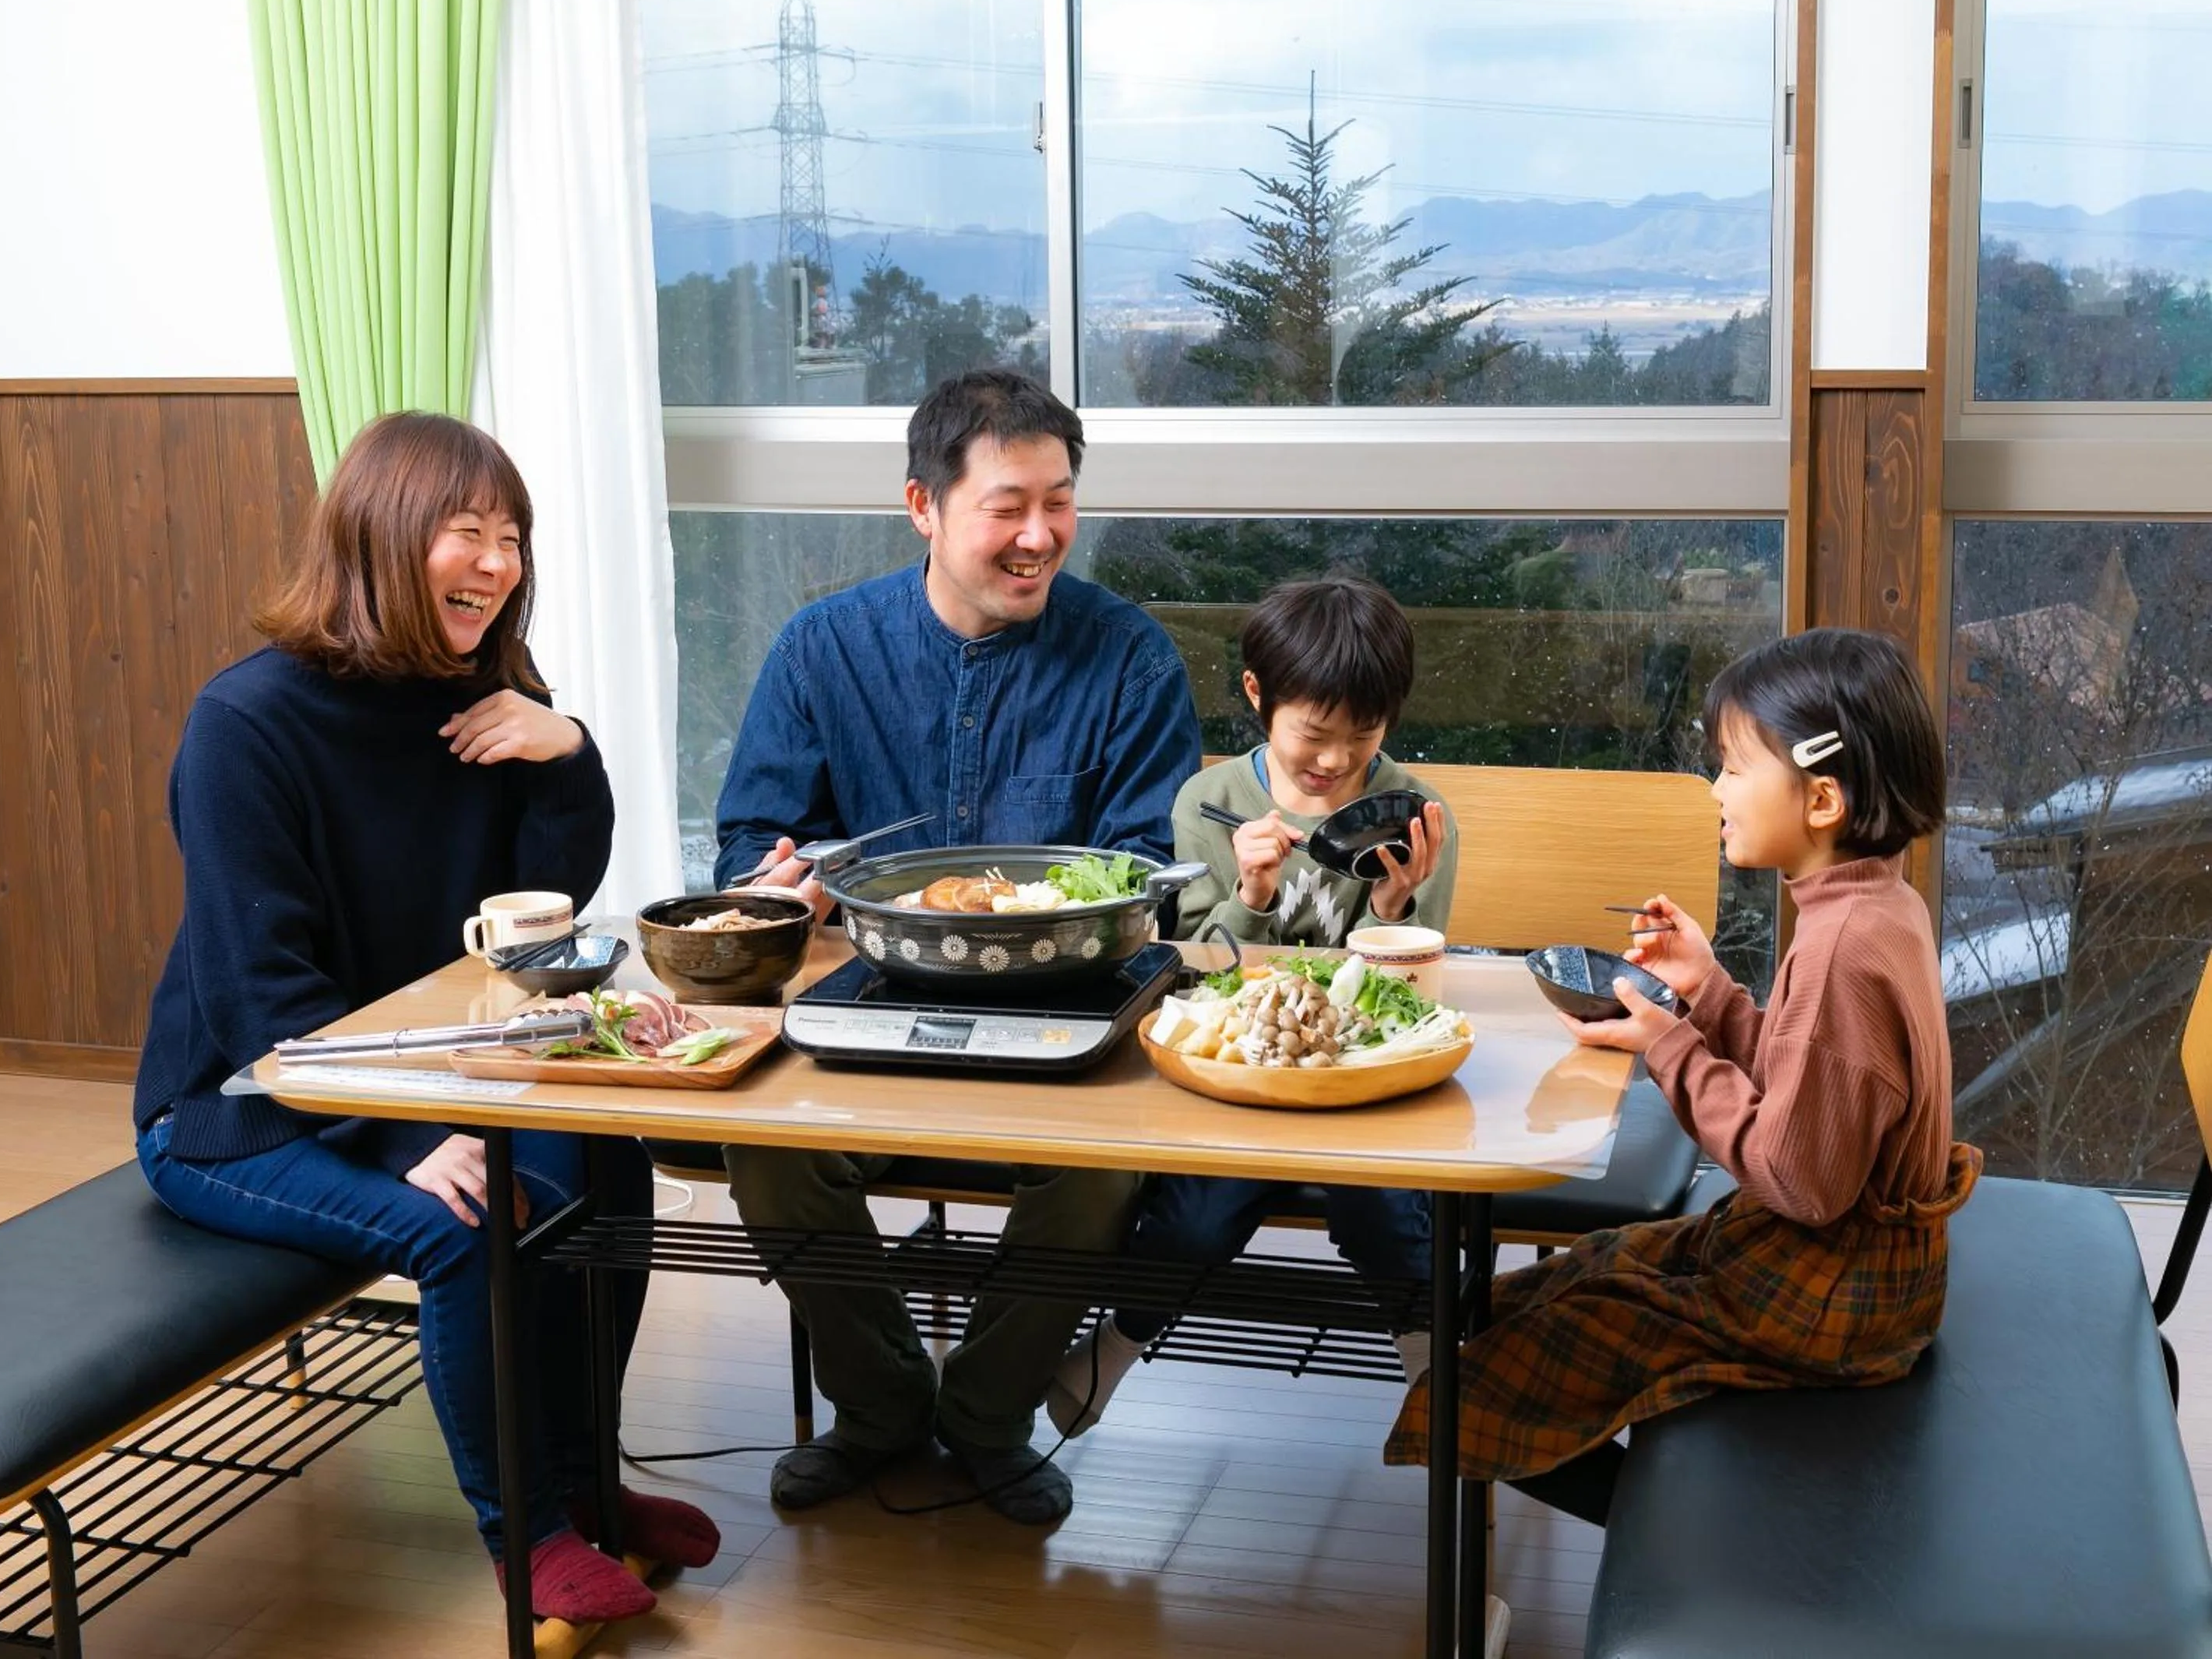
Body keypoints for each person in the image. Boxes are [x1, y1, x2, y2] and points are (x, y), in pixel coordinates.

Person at [132, 413, 717, 1625]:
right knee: (468, 1219)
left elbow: (540, 926)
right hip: (245, 1107)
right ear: (385, 540)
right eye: (469, 533)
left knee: (607, 1167)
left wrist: (567, 753)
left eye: (512, 537)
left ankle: (588, 1483)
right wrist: (407, 1135)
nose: (499, 564)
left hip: (433, 1070)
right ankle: (532, 1533)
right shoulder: (246, 726)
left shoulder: (475, 698)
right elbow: (260, 1001)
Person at [713, 368, 1202, 1524]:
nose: (1041, 535)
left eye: (1061, 502)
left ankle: (987, 1416)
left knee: (1100, 1168)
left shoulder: (1128, 658)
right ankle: (882, 1408)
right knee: (763, 1149)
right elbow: (751, 839)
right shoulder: (823, 649)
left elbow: (1147, 869)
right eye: (1006, 507)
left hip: (1062, 1011)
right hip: (865, 1004)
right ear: (924, 508)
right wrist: (785, 882)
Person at [1381, 626, 1980, 1527]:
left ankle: (1688, 1550)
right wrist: (1709, 994)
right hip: (1855, 1268)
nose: (1716, 789)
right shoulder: (1876, 903)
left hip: (1830, 1292)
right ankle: (1677, 1531)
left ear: (1820, 797)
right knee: (1572, 1275)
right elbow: (1811, 1085)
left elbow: (1801, 1178)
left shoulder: (1843, 950)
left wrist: (1671, 1046)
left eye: (1736, 767)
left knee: (1489, 1376)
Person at [1044, 576, 1459, 1435]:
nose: (1338, 760)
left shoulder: (1413, 815)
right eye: (1315, 734)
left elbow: (1414, 993)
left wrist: (1393, 913)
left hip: (1358, 1079)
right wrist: (1254, 894)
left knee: (1381, 1205)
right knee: (1198, 1212)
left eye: (1365, 736)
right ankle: (1112, 1352)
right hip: (1237, 1072)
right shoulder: (1211, 804)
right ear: (1256, 697)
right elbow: (1192, 975)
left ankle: (1438, 1390)